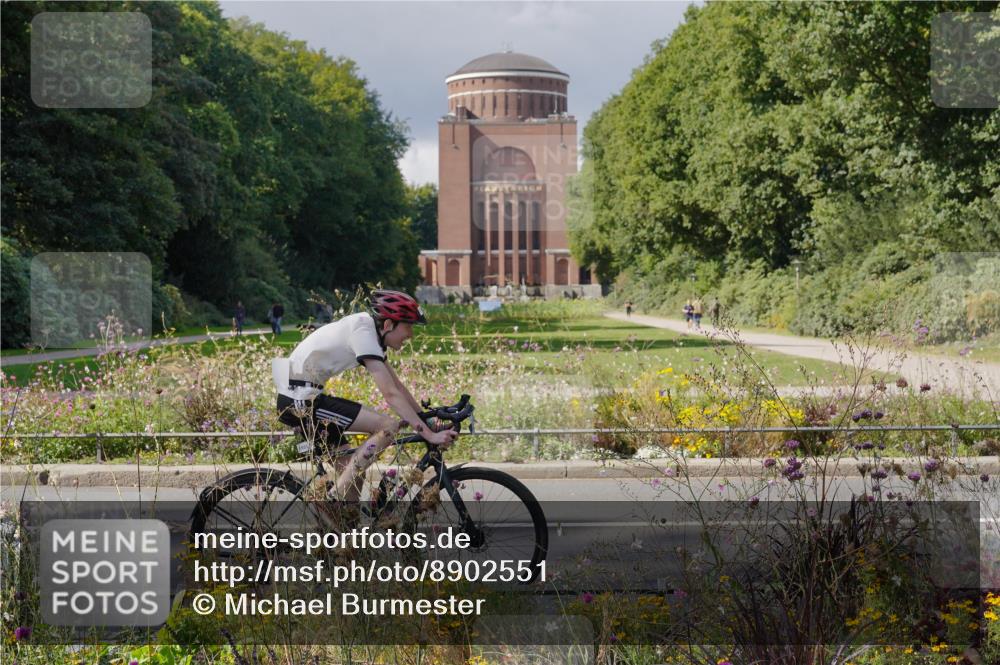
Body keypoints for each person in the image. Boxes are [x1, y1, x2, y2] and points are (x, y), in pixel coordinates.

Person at [273, 289, 457, 503]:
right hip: (299, 399)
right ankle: (333, 497)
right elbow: (390, 394)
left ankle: (342, 529)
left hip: (303, 395)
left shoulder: (371, 334)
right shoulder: (363, 331)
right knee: (387, 426)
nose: (411, 334)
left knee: (353, 471)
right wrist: (429, 434)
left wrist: (426, 419)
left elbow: (397, 386)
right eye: (408, 326)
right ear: (388, 325)